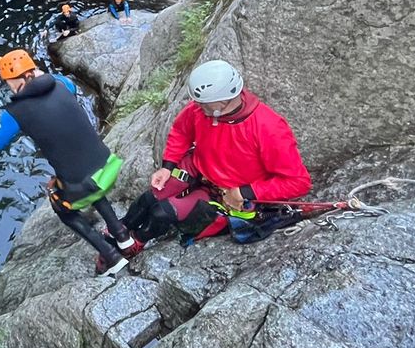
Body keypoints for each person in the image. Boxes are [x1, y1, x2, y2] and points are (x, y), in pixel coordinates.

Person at [0, 50, 141, 274]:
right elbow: (49, 83)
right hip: (107, 165)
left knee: (62, 207)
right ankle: (121, 234)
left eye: (7, 81)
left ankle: (111, 257)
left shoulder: (15, 113)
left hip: (85, 185)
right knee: (85, 174)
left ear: (17, 80)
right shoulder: (61, 83)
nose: (6, 85)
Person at [129, 60, 311, 246]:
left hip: (230, 195)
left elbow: (298, 182)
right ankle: (118, 230)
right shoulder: (201, 110)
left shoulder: (268, 128)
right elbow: (182, 131)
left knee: (162, 213)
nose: (198, 107)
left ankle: (134, 244)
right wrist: (168, 165)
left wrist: (246, 191)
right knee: (148, 198)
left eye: (204, 104)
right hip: (199, 170)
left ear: (223, 101)